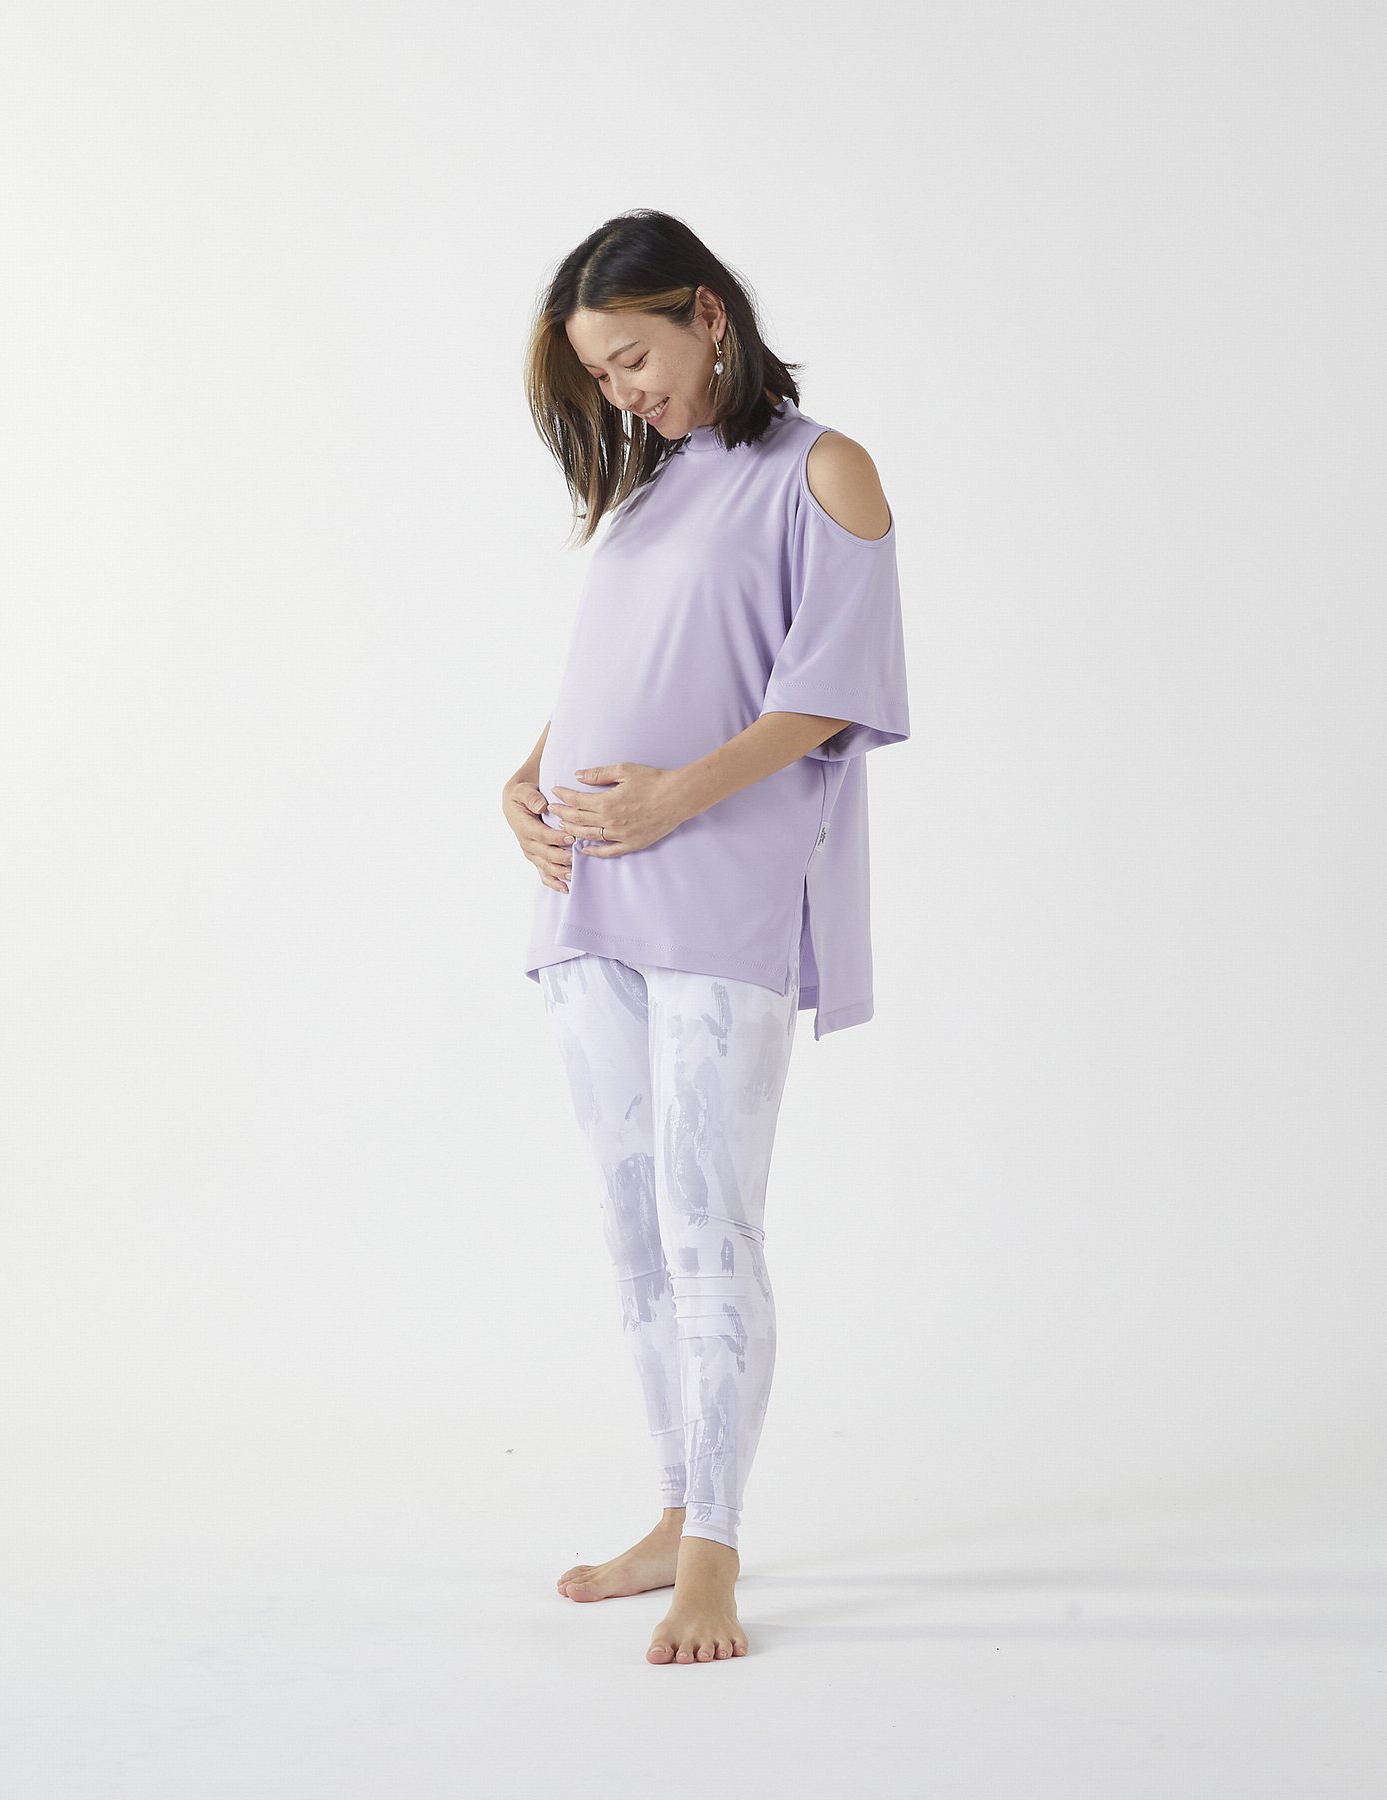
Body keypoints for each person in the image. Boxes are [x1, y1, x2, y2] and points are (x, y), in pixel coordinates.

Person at [502, 209, 911, 1666]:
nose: (624, 393)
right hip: (588, 891)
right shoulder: (651, 487)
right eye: (601, 378)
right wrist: (524, 780)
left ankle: (719, 1553)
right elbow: (613, 666)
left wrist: (677, 794)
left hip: (721, 886)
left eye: (633, 360)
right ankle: (675, 1507)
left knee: (706, 1216)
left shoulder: (824, 470)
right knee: (631, 1224)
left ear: (706, 315)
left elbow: (831, 688)